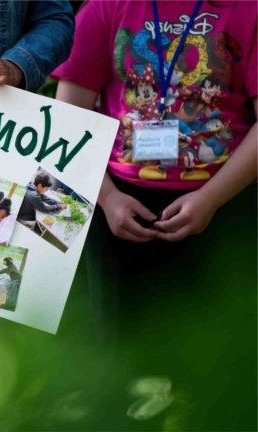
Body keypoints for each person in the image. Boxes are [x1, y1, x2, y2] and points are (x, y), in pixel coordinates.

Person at [52, 1, 256, 337]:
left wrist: (211, 199)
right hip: (121, 210)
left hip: (226, 204)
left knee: (220, 348)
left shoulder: (248, 10)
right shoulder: (106, 7)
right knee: (122, 346)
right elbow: (66, 118)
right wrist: (107, 198)